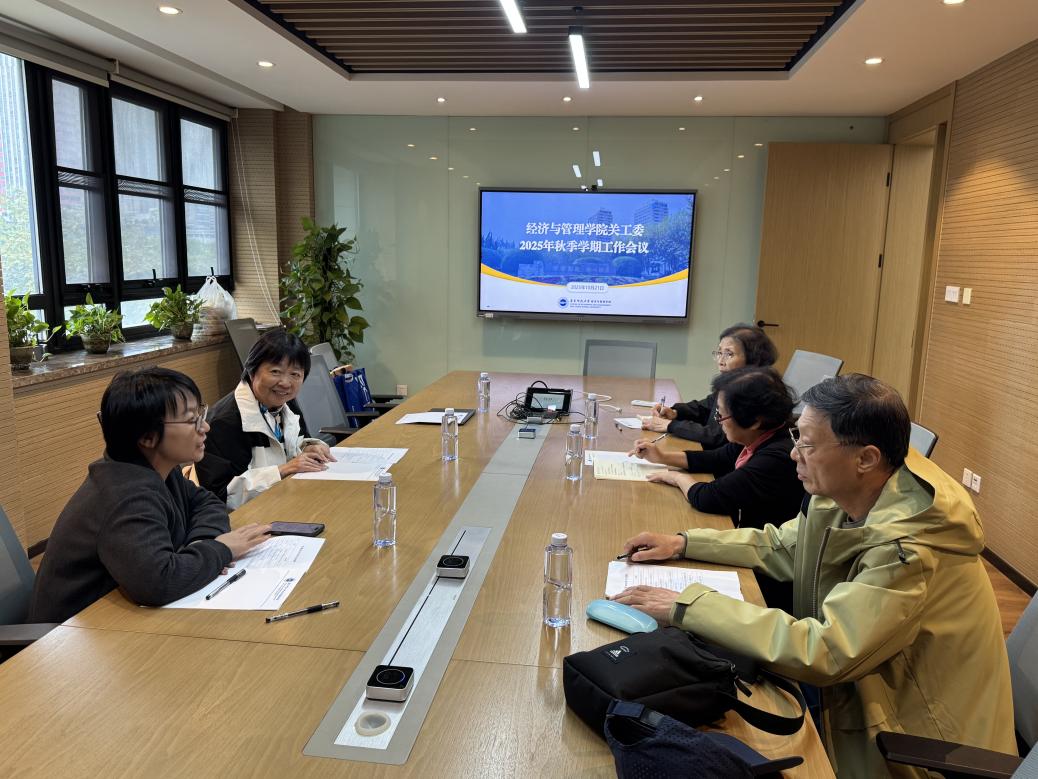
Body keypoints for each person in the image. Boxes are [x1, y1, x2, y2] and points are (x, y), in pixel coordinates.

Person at [613, 375, 1015, 778]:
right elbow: (782, 546)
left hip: (913, 741)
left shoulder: (909, 550)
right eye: (796, 437)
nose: (793, 454)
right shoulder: (852, 491)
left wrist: (688, 605)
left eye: (807, 443)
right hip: (856, 689)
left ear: (865, 458)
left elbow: (827, 651)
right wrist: (683, 543)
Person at [29, 368, 272, 624]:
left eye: (201, 414)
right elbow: (160, 583)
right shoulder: (126, 497)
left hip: (116, 620)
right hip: (68, 635)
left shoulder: (159, 468)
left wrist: (201, 543)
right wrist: (222, 549)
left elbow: (206, 502)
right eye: (192, 420)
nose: (205, 427)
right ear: (147, 436)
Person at [629, 367, 803, 530]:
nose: (718, 422)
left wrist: (676, 477)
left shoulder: (776, 457)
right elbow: (716, 459)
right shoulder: (760, 434)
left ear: (754, 421)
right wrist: (661, 456)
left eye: (721, 415)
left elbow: (707, 497)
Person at [196, 329, 336, 509]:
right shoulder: (224, 423)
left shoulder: (284, 403)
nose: (285, 383)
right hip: (247, 516)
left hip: (285, 499)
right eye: (275, 371)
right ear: (252, 371)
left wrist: (309, 447)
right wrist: (283, 470)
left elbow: (288, 445)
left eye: (295, 374)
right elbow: (220, 494)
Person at [645, 323, 778, 449]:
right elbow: (705, 407)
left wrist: (672, 425)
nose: (720, 361)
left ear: (753, 359)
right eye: (719, 353)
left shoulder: (753, 392)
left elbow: (719, 436)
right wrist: (675, 412)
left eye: (729, 354)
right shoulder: (730, 383)